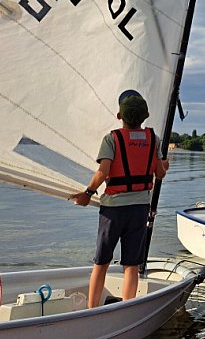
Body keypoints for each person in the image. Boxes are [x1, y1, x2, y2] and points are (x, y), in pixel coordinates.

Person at [70, 90, 168, 308]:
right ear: (147, 115)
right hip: (140, 208)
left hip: (113, 209)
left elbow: (103, 172)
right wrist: (164, 166)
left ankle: (92, 309)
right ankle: (127, 307)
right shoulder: (154, 139)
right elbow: (159, 174)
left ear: (118, 116)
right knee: (131, 264)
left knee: (101, 262)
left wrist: (87, 194)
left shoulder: (111, 139)